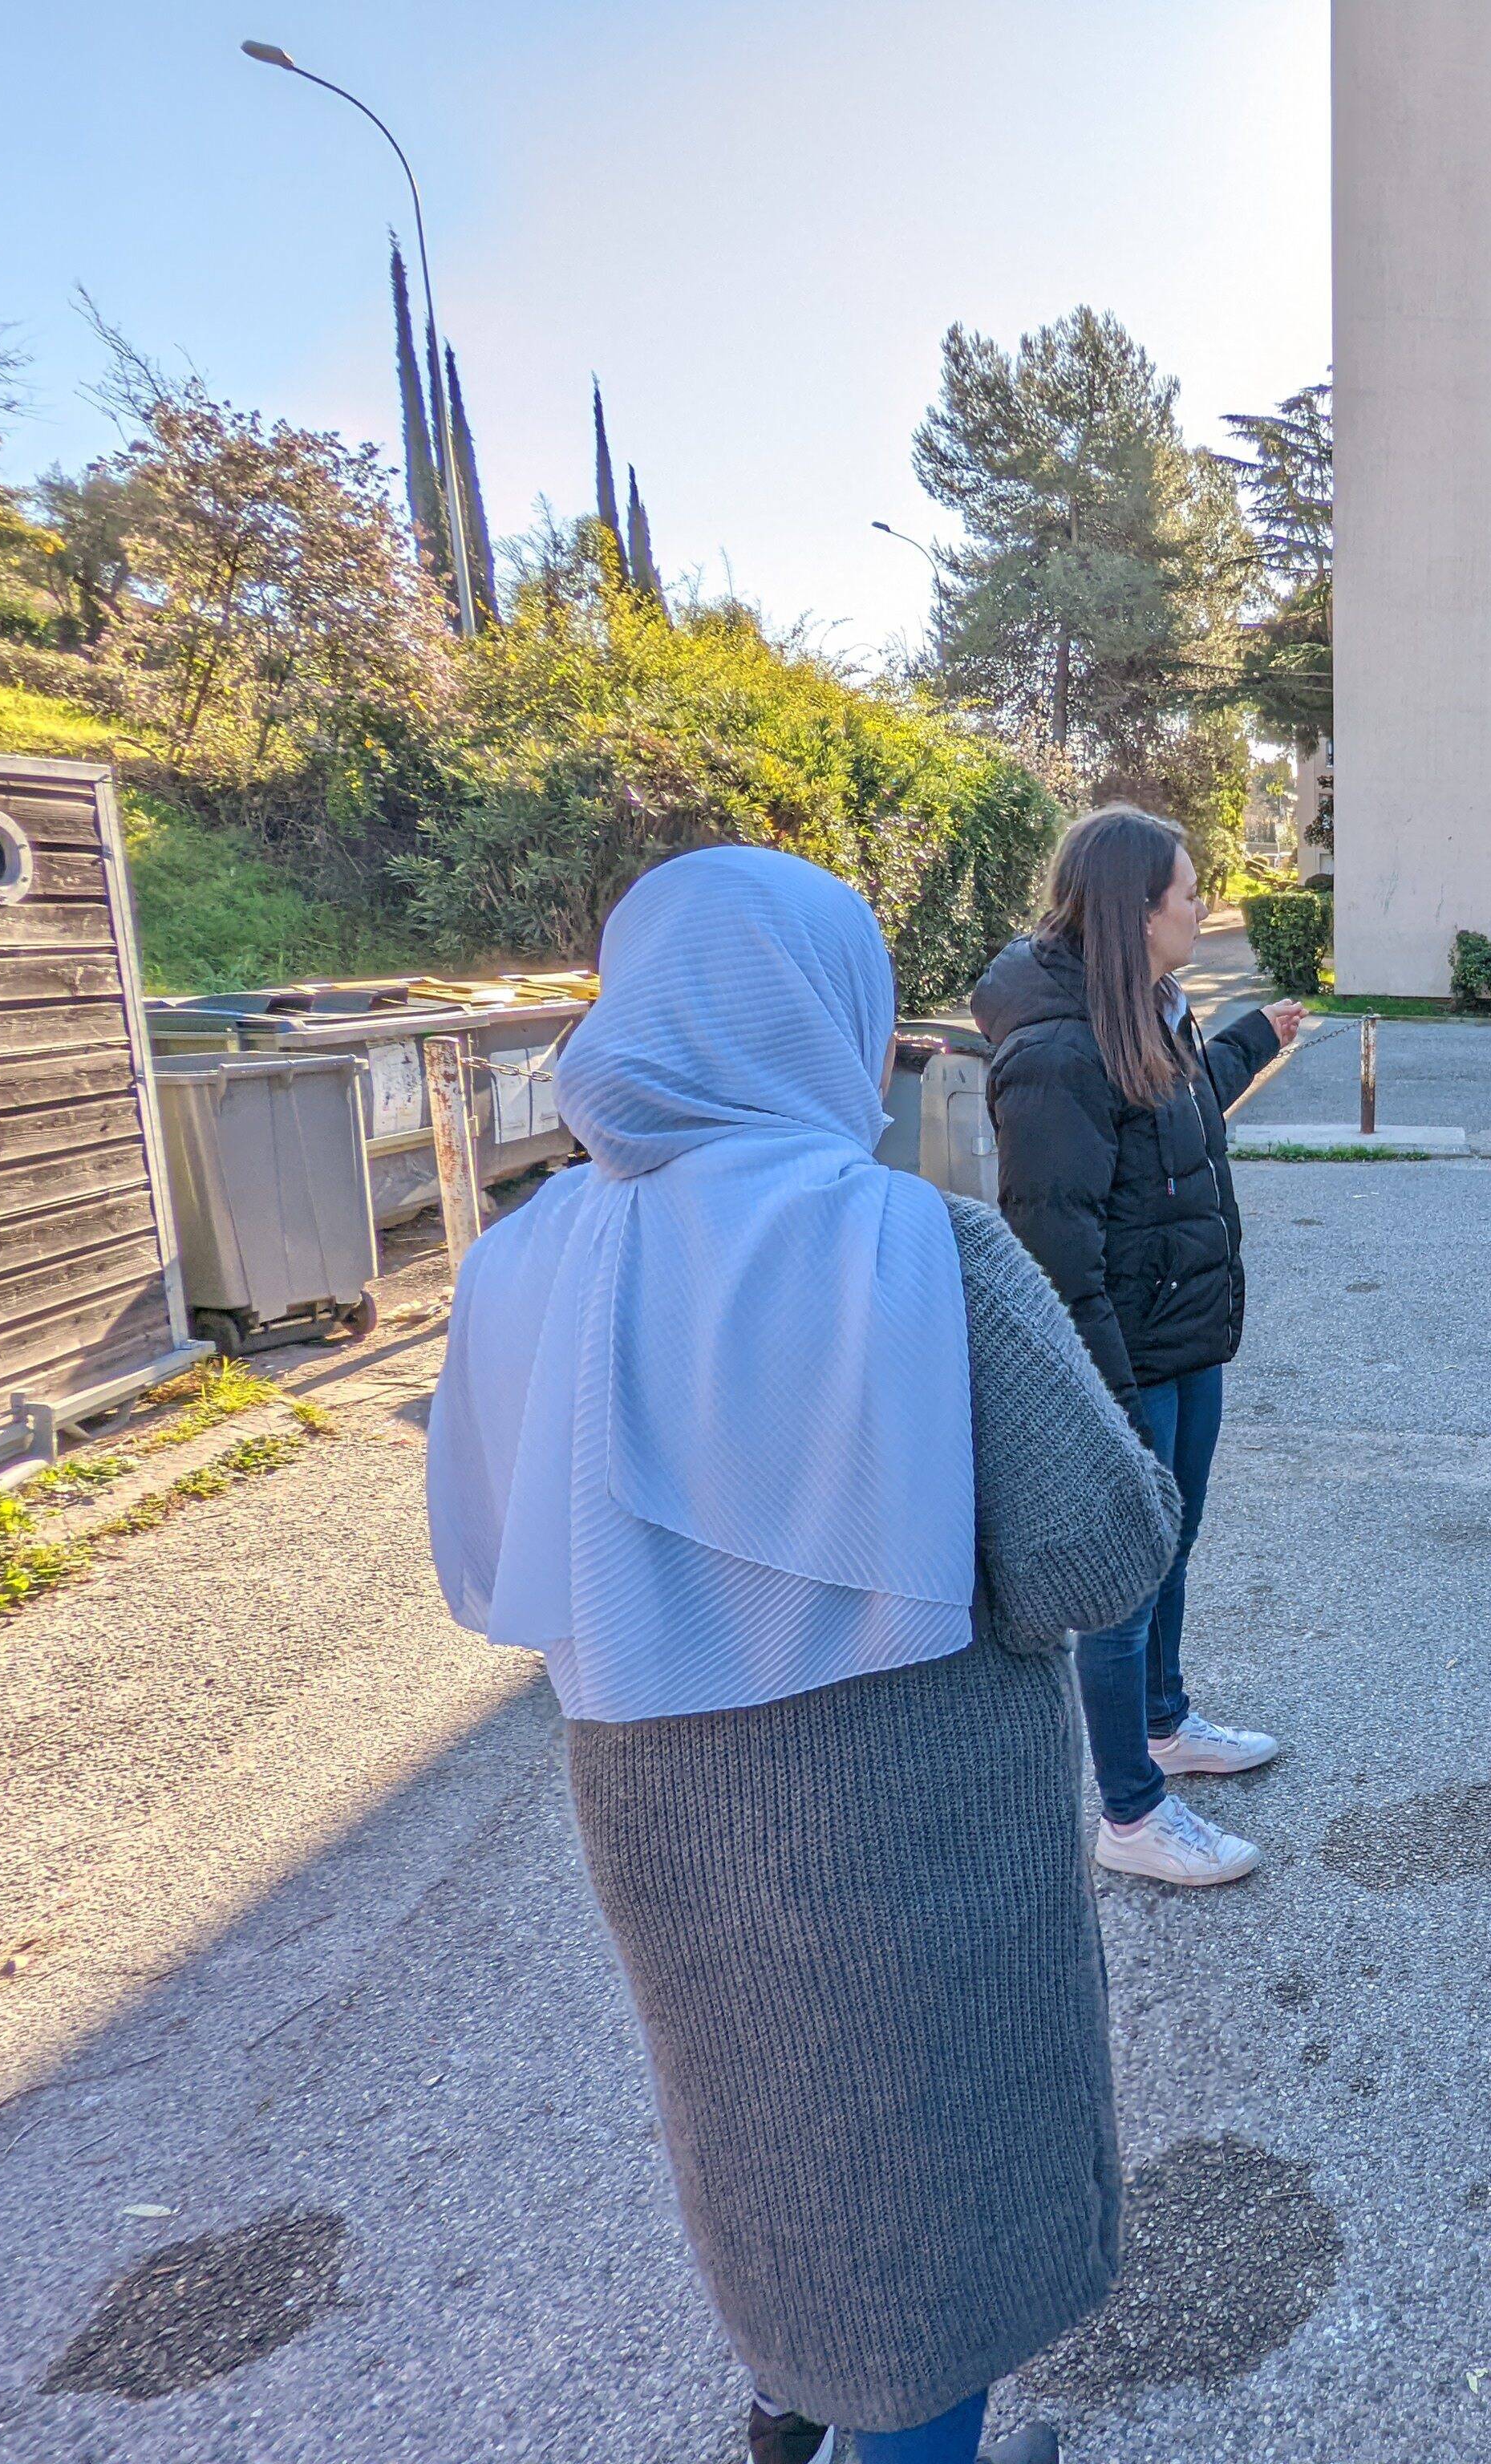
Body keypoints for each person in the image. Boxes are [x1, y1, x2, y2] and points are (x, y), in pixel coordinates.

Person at [425, 847, 1184, 2464]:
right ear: (826, 1013)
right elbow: (1102, 1551)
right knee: (929, 2201)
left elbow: (491, 1559)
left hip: (655, 1812)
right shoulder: (921, 1249)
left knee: (758, 2139)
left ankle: (787, 2398)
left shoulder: (517, 1262)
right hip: (915, 1835)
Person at [974, 808, 1304, 1888]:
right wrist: (1107, 1401)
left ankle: (1164, 1725)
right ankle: (1131, 1813)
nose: (1202, 908)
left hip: (1186, 1337)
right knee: (1123, 1576)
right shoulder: (1056, 1051)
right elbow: (1054, 1246)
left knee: (1172, 1545)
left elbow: (1179, 1116)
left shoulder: (1151, 1010)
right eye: (1188, 892)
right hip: (1129, 1359)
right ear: (1137, 910)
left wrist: (1255, 1038)